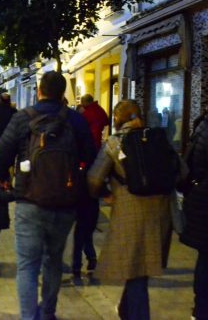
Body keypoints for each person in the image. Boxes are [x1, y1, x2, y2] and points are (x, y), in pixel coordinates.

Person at [0, 71, 95, 320]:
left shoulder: (23, 118)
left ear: (39, 90)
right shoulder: (74, 119)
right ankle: (48, 312)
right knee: (54, 260)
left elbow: (1, 155)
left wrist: (2, 177)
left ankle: (29, 316)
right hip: (65, 202)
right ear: (63, 93)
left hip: (29, 200)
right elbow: (90, 155)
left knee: (28, 265)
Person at [87, 100, 172, 320]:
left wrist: (105, 194)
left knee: (136, 270)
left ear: (118, 119)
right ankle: (126, 310)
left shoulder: (115, 143)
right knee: (139, 269)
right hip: (159, 213)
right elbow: (180, 172)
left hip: (128, 211)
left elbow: (94, 179)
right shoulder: (159, 138)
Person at [71, 93, 108, 278]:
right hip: (91, 198)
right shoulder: (94, 152)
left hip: (81, 196)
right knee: (87, 230)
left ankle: (77, 265)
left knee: (80, 232)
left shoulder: (77, 150)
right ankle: (90, 258)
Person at [180, 109, 208, 320]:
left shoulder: (202, 125)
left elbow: (191, 167)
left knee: (205, 258)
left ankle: (200, 310)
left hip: (202, 199)